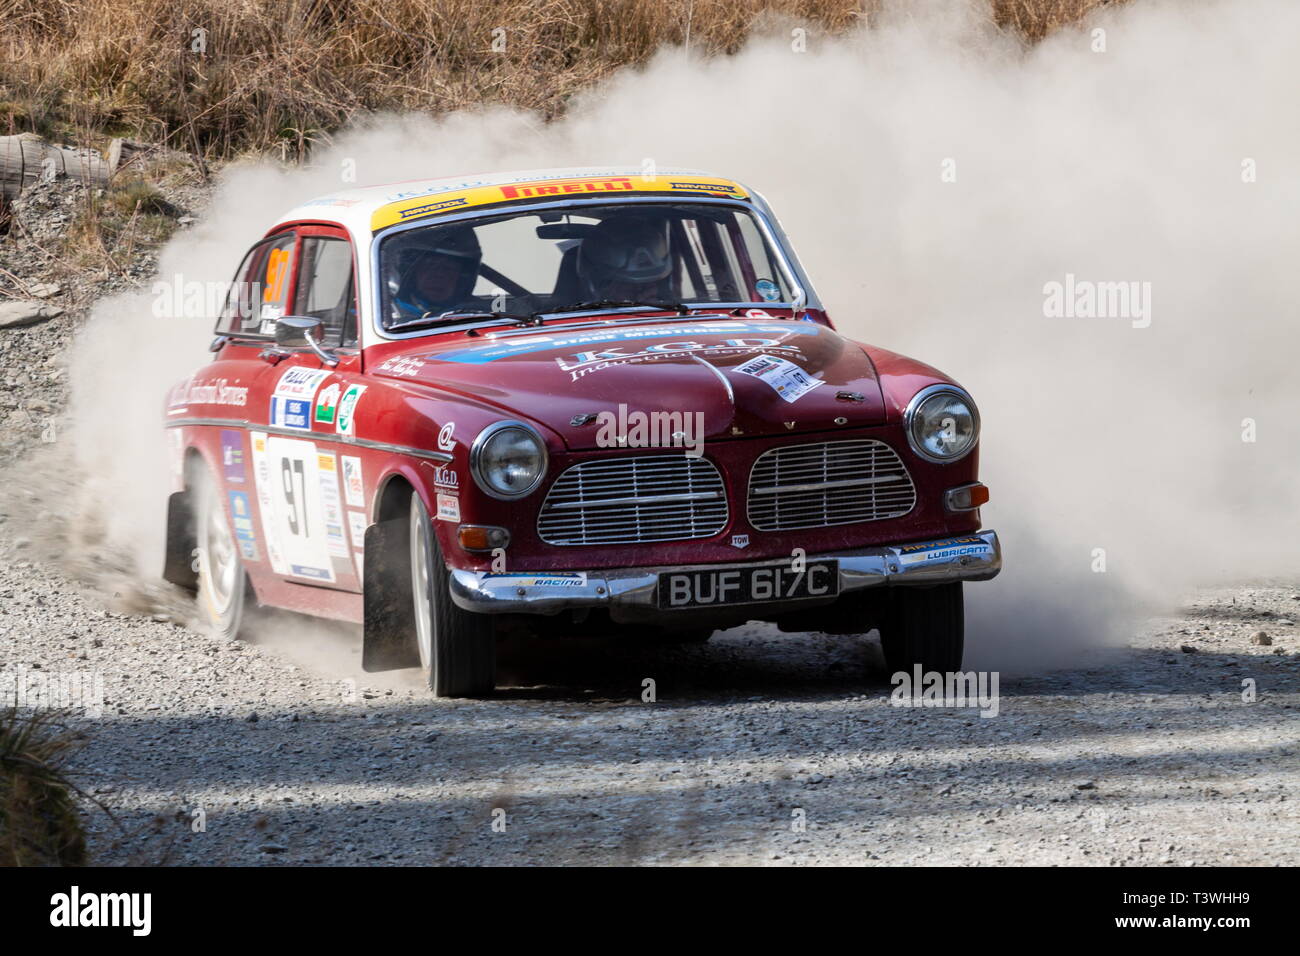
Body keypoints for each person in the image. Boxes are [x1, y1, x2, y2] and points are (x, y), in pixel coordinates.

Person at [390, 227, 481, 321]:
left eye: (448, 268)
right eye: (429, 266)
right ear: (413, 273)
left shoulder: (482, 313)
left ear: (462, 278)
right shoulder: (391, 315)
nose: (438, 275)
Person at [575, 215, 674, 302]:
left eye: (648, 285)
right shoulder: (586, 317)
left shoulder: (677, 312)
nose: (640, 294)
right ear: (603, 287)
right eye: (631, 287)